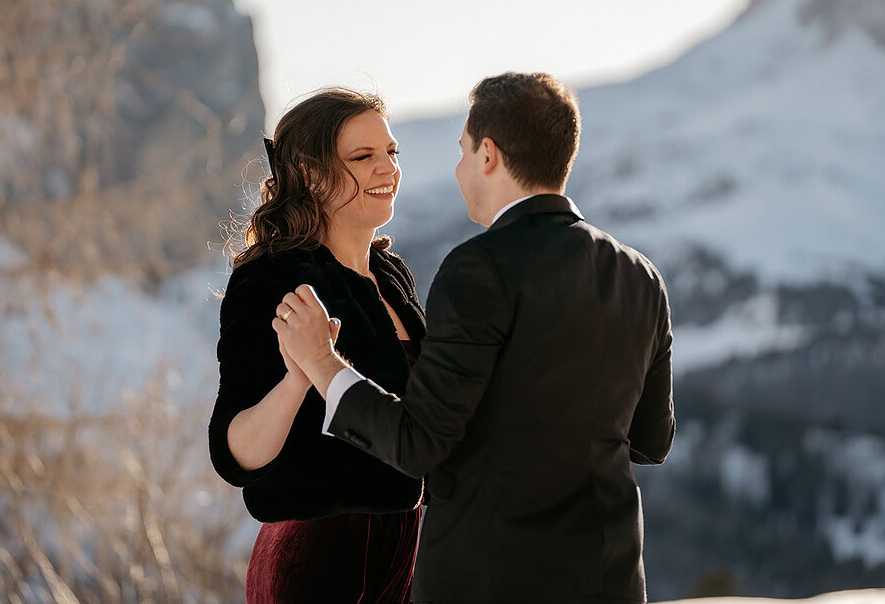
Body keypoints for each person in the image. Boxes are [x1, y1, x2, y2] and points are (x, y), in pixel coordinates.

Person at [274, 72, 676, 602]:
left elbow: (418, 443)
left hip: (487, 582)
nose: (460, 168)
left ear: (488, 154)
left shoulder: (477, 269)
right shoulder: (641, 275)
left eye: (463, 151)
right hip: (610, 581)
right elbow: (652, 441)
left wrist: (323, 363)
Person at [208, 88, 425, 603]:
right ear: (309, 173)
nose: (387, 169)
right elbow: (234, 452)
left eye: (391, 153)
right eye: (362, 157)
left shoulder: (392, 276)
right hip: (314, 562)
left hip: (404, 557)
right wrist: (300, 375)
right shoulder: (273, 277)